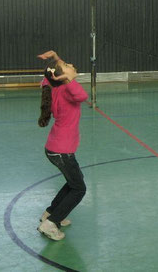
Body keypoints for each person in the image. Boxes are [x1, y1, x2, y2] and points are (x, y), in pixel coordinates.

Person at [36, 50, 88, 241]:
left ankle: (51, 213)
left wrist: (57, 59)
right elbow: (82, 96)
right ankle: (50, 224)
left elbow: (50, 76)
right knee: (79, 188)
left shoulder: (53, 85)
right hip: (62, 151)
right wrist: (69, 79)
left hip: (55, 149)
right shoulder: (67, 89)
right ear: (62, 76)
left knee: (73, 182)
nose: (71, 65)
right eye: (67, 66)